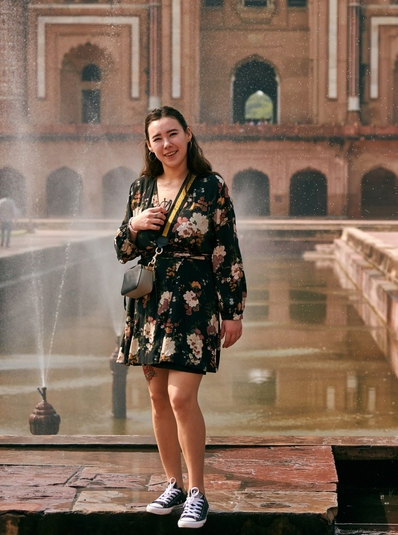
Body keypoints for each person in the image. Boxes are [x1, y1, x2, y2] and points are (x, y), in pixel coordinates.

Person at [115, 106, 246, 529]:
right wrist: (134, 225)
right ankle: (172, 483)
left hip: (195, 303)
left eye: (173, 134)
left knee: (180, 397)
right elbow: (122, 250)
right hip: (151, 305)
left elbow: (226, 249)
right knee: (156, 399)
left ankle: (197, 492)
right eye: (157, 138)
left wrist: (233, 311)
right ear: (149, 145)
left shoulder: (210, 187)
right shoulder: (141, 189)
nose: (166, 144)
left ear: (188, 135)